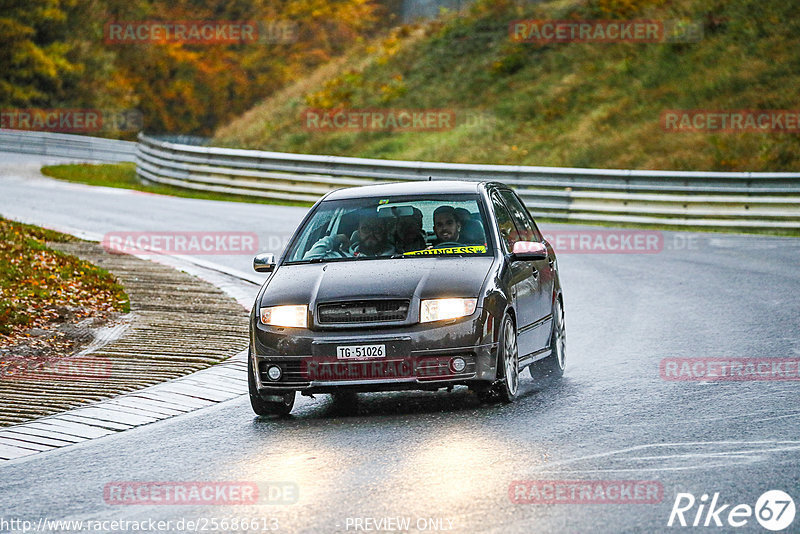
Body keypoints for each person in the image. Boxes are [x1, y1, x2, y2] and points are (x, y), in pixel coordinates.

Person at [304, 209, 395, 259]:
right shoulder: (339, 256)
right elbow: (307, 261)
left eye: (377, 229)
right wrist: (335, 238)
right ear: (358, 232)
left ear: (385, 233)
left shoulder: (396, 259)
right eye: (365, 228)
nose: (371, 233)